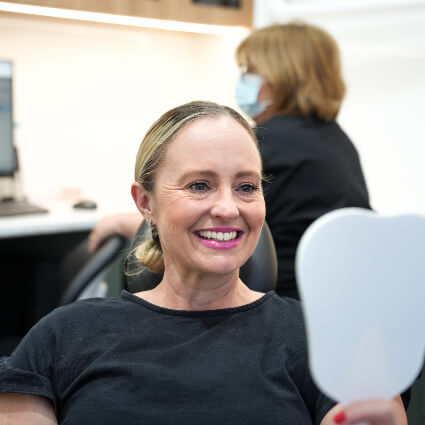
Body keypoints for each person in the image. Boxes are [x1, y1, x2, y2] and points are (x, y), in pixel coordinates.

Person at [0, 101, 406, 424]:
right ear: (145, 203)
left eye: (246, 187)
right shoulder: (66, 334)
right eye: (200, 185)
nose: (228, 208)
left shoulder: (318, 340)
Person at [89, 22, 370, 301]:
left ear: (282, 77)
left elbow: (223, 221)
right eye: (200, 185)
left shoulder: (269, 143)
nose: (244, 81)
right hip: (339, 297)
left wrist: (122, 222)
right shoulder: (337, 141)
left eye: (250, 72)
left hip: (281, 298)